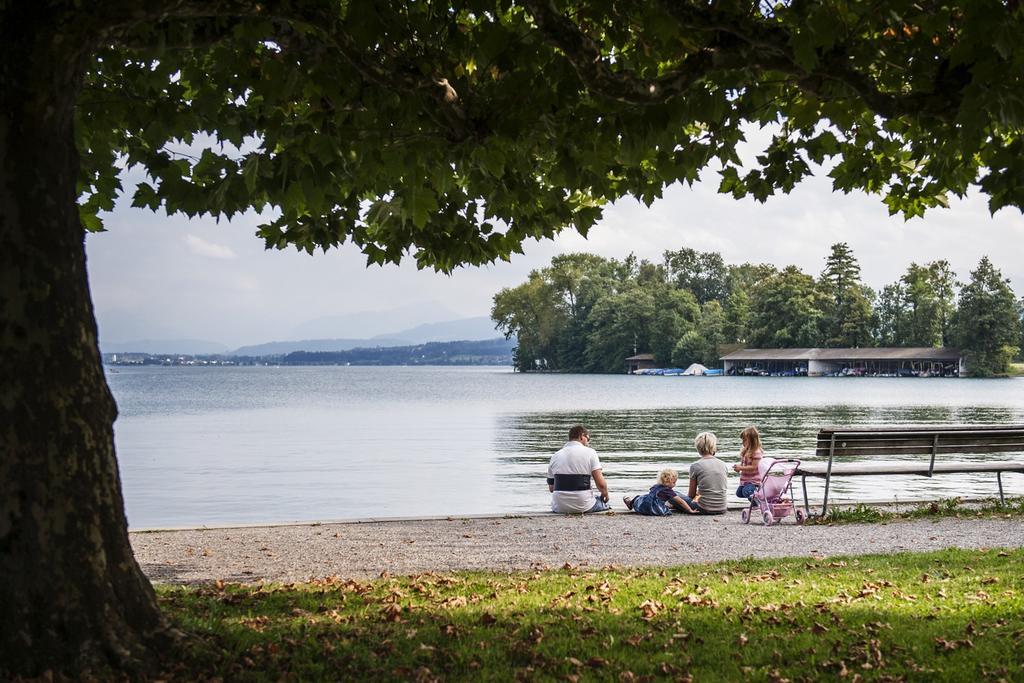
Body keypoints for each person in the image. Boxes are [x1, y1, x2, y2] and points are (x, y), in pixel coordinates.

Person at [547, 425, 610, 513]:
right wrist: (605, 494)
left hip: (559, 507)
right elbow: (601, 485)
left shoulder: (555, 456)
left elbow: (551, 488)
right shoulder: (590, 452)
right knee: (604, 503)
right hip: (584, 505)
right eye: (588, 439)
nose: (588, 442)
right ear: (582, 436)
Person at [685, 431, 729, 514]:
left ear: (698, 447)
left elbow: (691, 495)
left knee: (675, 495)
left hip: (703, 508)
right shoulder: (723, 464)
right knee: (699, 495)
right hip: (722, 507)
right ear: (713, 447)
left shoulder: (695, 466)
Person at [623, 467, 698, 515]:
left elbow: (655, 495)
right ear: (668, 482)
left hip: (645, 506)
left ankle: (630, 503)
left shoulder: (655, 486)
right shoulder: (668, 491)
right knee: (664, 503)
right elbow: (680, 501)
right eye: (674, 482)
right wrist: (689, 510)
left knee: (639, 498)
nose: (675, 485)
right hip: (656, 509)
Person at [733, 426, 765, 503]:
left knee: (746, 491)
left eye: (744, 440)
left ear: (752, 441)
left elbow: (754, 467)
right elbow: (744, 465)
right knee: (739, 493)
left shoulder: (756, 452)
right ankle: (754, 499)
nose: (742, 442)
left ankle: (757, 501)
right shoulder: (746, 451)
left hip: (754, 481)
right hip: (746, 480)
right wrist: (738, 468)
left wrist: (740, 468)